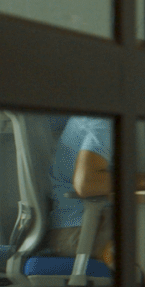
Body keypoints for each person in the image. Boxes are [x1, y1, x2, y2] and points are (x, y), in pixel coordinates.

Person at [44, 115, 115, 268]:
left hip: (73, 232)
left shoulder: (87, 117)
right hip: (82, 233)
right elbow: (86, 182)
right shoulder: (103, 120)